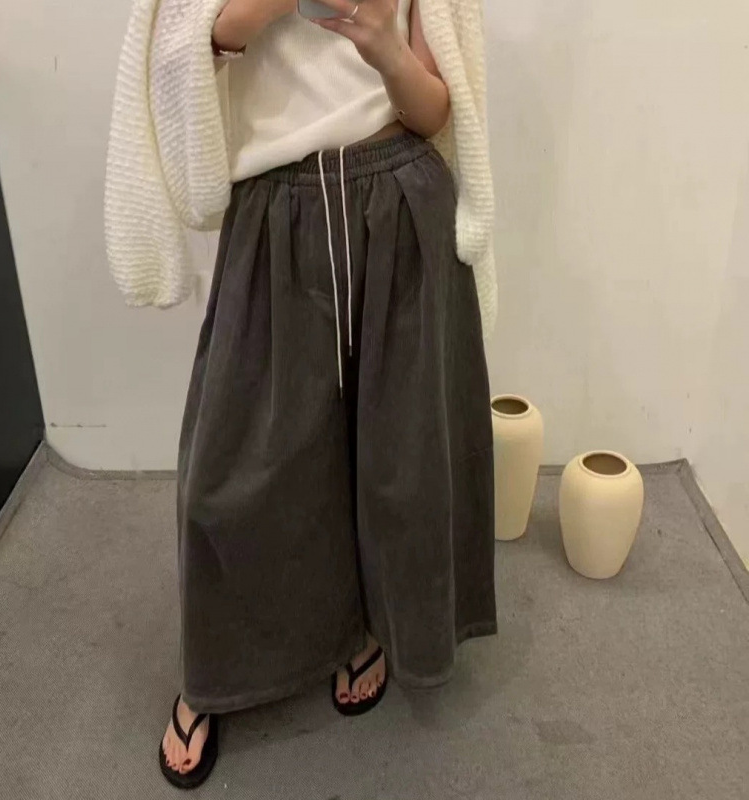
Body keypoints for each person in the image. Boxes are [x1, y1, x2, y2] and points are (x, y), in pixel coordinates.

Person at [105, 0, 497, 789]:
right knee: (230, 473)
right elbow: (195, 42)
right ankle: (210, 675)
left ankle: (366, 628)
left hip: (399, 199)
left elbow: (434, 108)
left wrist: (386, 48)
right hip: (273, 208)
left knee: (397, 457)